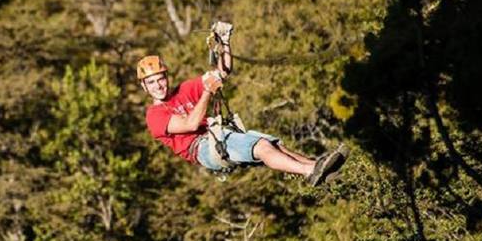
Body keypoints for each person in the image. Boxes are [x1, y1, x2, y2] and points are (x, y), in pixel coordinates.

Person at [138, 38, 346, 185]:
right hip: (203, 148)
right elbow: (191, 125)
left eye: (161, 79)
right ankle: (310, 171)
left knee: (275, 145)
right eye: (152, 82)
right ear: (144, 87)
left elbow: (222, 73)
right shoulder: (154, 116)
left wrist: (225, 43)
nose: (159, 85)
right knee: (263, 147)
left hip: (217, 135)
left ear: (167, 78)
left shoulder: (184, 89)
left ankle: (320, 167)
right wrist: (207, 93)